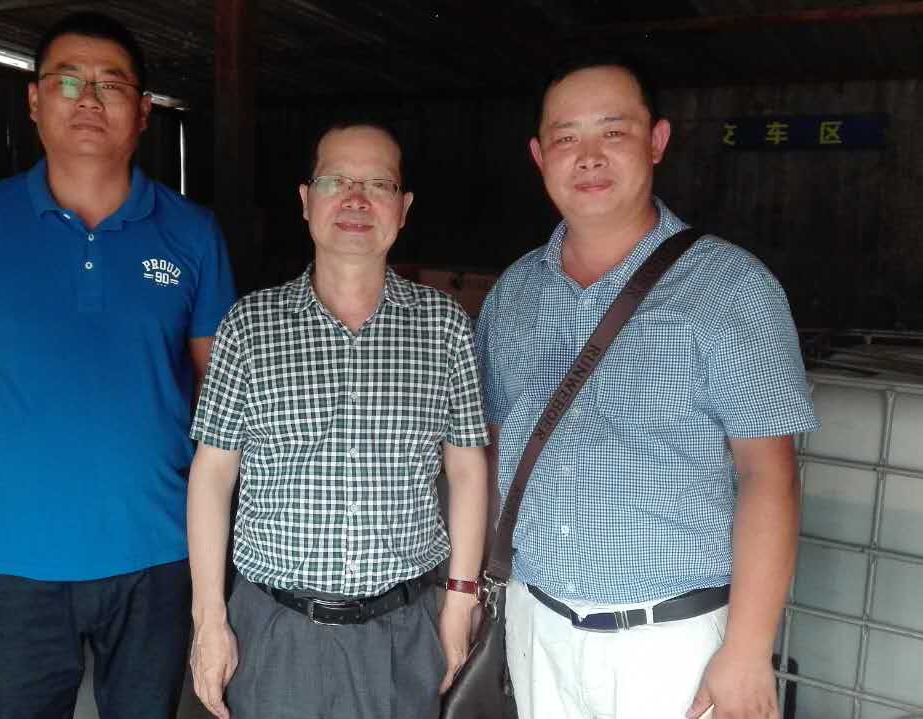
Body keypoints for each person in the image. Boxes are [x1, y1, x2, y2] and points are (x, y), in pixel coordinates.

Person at [476, 55, 819, 719]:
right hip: (536, 623)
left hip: (672, 642)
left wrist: (748, 649)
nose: (589, 156)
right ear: (539, 155)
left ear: (657, 141)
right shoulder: (514, 291)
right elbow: (495, 449)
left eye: (614, 131)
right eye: (566, 137)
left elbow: (769, 475)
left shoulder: (730, 287)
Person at [0, 12, 236, 718]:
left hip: (157, 547)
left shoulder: (191, 233)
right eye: (68, 81)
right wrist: (9, 455)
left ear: (143, 112)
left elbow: (219, 384)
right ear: (35, 101)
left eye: (110, 84)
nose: (88, 99)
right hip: (20, 553)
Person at [185, 122, 489, 719]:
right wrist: (209, 617)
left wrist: (460, 599)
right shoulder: (248, 327)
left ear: (402, 208)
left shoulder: (445, 326)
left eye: (378, 184)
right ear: (306, 201)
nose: (355, 199)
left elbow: (468, 469)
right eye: (335, 182)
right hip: (275, 631)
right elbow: (213, 475)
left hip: (403, 632)